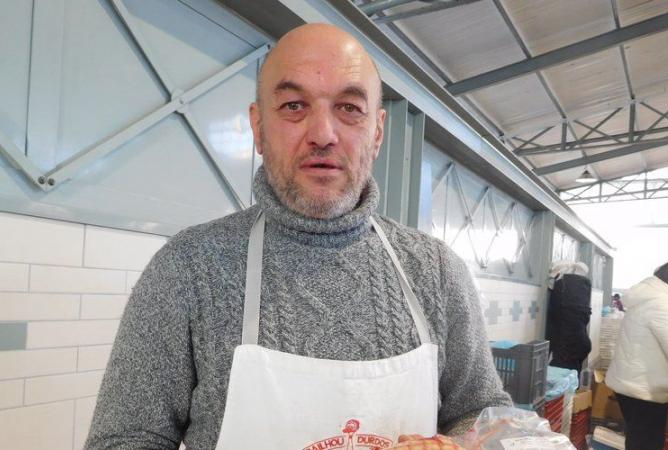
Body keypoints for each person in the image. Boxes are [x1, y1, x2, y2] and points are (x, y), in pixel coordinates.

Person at [85, 23, 511, 450]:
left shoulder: (437, 271)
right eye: (293, 105)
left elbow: (485, 415)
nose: (323, 134)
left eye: (349, 108)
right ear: (258, 127)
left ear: (378, 132)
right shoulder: (188, 268)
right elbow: (123, 439)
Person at [605, 258, 668, 450]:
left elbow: (652, 334)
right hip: (643, 389)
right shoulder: (664, 304)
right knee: (646, 445)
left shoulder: (651, 298)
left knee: (638, 441)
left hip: (632, 383)